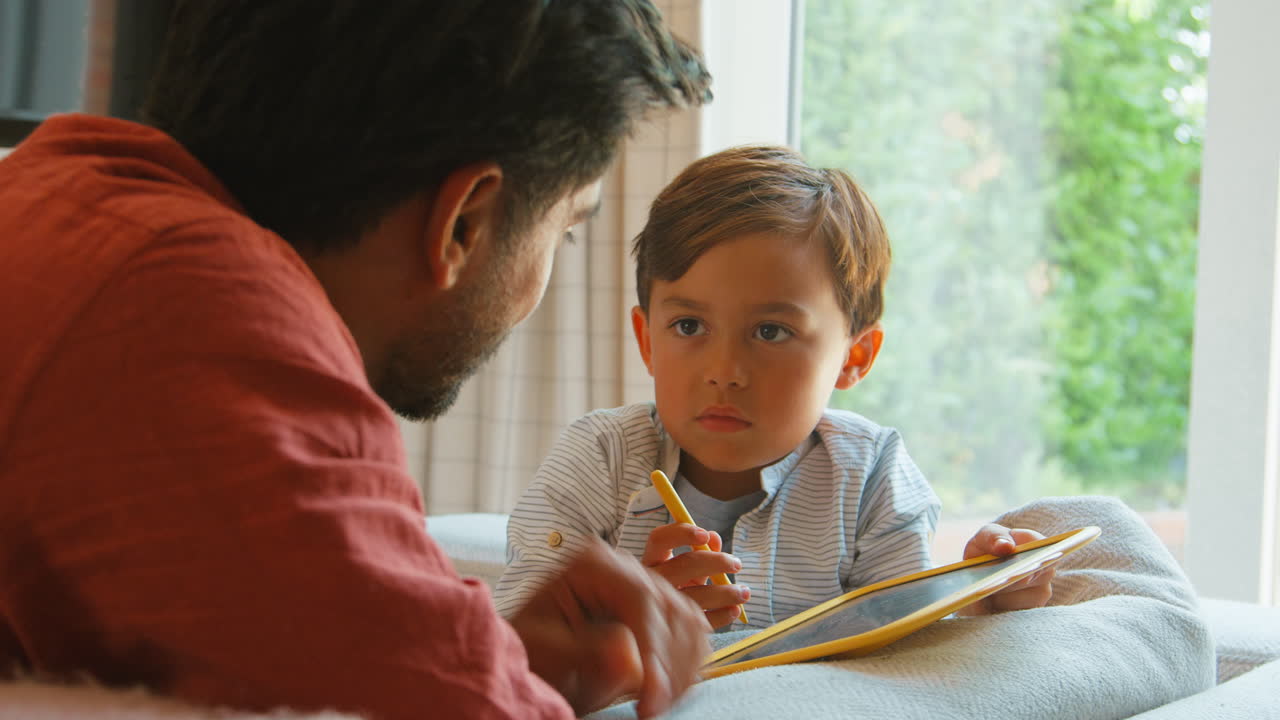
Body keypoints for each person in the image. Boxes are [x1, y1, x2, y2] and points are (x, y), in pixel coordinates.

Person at [0, 2, 716, 719]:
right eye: (564, 231)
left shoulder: (53, 192)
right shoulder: (201, 317)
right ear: (465, 219)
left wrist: (487, 658)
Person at [495, 145, 1054, 628]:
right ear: (647, 341)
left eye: (771, 331)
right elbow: (515, 638)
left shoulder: (871, 475)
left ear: (853, 357)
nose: (724, 370)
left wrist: (984, 598)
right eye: (688, 326)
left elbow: (905, 646)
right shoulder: (599, 459)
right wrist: (630, 618)